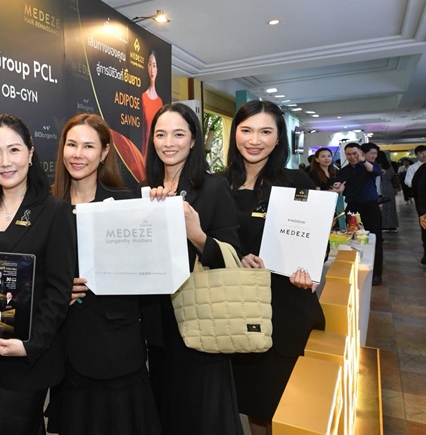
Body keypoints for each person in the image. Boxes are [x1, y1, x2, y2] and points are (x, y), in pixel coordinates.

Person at [0, 113, 76, 435]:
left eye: (14, 150)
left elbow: (59, 289)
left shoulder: (55, 211)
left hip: (26, 359)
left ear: (31, 152)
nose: (5, 162)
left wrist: (30, 344)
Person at [50, 113, 161, 435]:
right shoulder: (47, 206)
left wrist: (159, 210)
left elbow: (149, 267)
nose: (78, 154)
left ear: (104, 152)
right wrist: (54, 291)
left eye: (88, 146)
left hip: (116, 344)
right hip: (63, 346)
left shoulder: (125, 203)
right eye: (71, 145)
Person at [220, 100, 325, 435]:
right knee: (249, 403)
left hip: (284, 309)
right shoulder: (217, 184)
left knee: (279, 406)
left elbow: (315, 241)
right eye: (247, 130)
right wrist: (236, 258)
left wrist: (307, 270)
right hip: (232, 309)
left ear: (279, 138)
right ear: (235, 134)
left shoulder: (296, 182)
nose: (255, 140)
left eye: (265, 131)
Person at [141, 103, 244, 435]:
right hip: (157, 322)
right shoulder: (144, 189)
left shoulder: (212, 188)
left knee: (201, 415)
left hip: (201, 321)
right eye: (161, 135)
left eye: (178, 134)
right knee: (164, 410)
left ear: (194, 140)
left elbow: (230, 258)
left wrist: (197, 235)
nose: (168, 143)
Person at [339, 142, 384, 285]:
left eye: (355, 154)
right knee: (351, 238)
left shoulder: (369, 166)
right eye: (349, 154)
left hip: (370, 206)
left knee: (374, 238)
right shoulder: (343, 171)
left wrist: (363, 161)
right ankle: (354, 268)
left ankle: (376, 273)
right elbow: (340, 187)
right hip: (352, 207)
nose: (352, 157)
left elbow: (376, 172)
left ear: (361, 153)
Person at [141, 50, 163, 158]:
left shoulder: (160, 102)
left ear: (157, 70)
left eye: (154, 65)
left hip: (157, 153)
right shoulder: (143, 97)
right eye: (150, 64)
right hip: (145, 151)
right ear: (147, 67)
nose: (152, 69)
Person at [376, 150, 399, 232]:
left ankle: (384, 225)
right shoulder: (389, 165)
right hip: (389, 186)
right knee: (391, 207)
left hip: (380, 186)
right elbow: (393, 176)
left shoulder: (377, 166)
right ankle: (392, 226)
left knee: (382, 206)